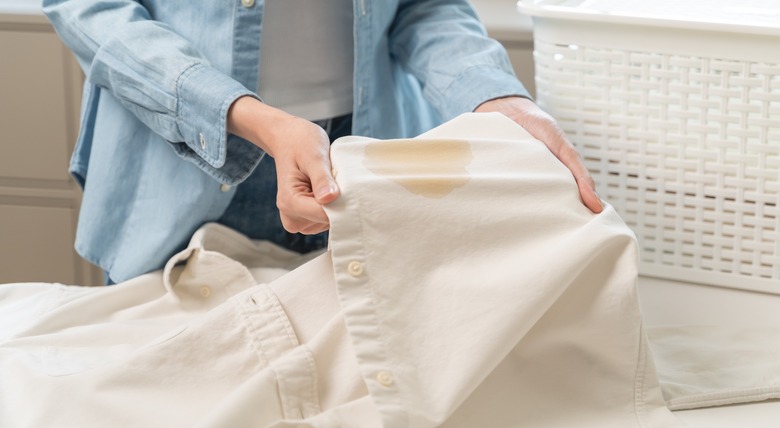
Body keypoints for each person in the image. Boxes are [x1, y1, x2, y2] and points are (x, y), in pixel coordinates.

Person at [42, 0, 602, 284]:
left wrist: (494, 95)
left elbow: (423, 6)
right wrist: (247, 116)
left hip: (366, 151)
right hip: (178, 159)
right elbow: (92, 9)